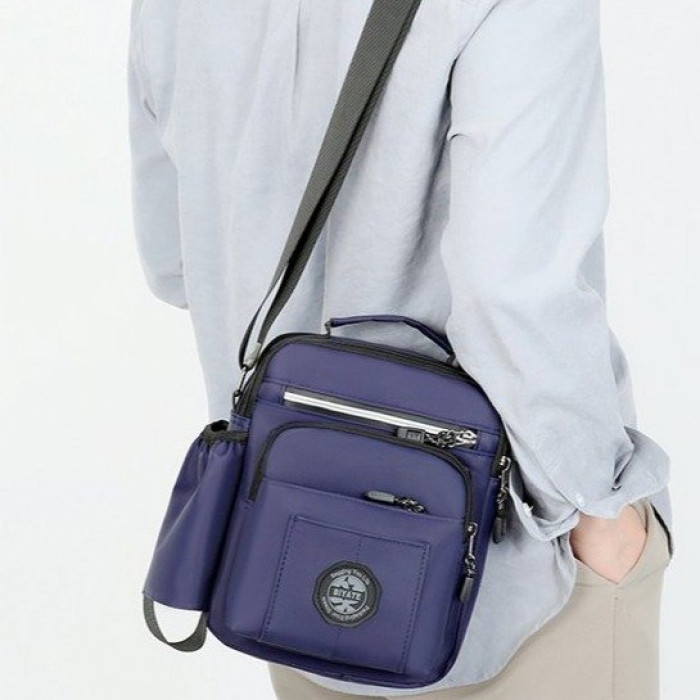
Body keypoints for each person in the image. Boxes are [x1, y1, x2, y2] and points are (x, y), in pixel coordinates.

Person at [128, 0, 672, 698]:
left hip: (283, 541)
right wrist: (601, 507)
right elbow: (510, 287)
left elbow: (175, 265)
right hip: (519, 567)